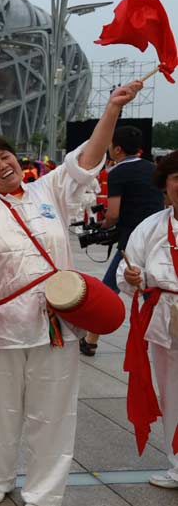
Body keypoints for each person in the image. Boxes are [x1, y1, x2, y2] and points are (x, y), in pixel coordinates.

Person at [0, 82, 143, 506]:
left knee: (52, 413)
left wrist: (111, 109)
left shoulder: (49, 189)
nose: (3, 164)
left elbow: (88, 157)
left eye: (5, 156)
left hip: (54, 323)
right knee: (3, 409)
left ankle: (43, 494)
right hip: (5, 324)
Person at [117, 150, 178, 490]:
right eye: (177, 178)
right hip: (164, 317)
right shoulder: (151, 227)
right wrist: (132, 276)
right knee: (171, 392)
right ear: (165, 184)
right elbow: (128, 274)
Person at [82, 126, 163, 357]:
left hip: (131, 243)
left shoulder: (118, 172)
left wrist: (103, 226)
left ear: (117, 149)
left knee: (108, 290)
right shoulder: (152, 168)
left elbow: (113, 214)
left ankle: (91, 341)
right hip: (157, 238)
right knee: (150, 291)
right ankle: (163, 336)